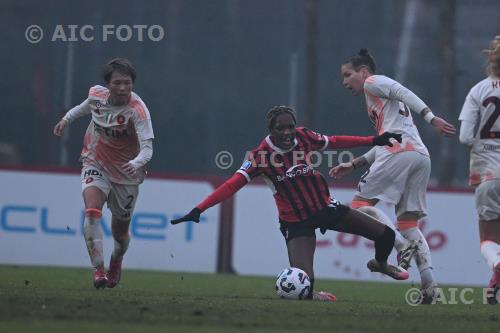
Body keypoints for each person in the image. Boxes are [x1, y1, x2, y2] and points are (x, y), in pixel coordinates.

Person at [171, 105, 409, 301]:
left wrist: (375, 139)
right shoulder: (259, 157)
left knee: (386, 235)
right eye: (281, 128)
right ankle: (313, 294)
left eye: (290, 126)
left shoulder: (304, 136)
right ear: (270, 130)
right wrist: (198, 209)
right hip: (296, 223)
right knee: (303, 284)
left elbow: (335, 141)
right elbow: (232, 184)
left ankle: (380, 263)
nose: (287, 132)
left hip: (326, 208)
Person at [330, 49, 456, 303]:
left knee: (359, 206)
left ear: (363, 72)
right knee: (409, 223)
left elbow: (403, 91)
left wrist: (431, 118)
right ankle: (429, 284)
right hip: (419, 156)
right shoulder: (379, 103)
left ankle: (400, 246)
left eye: (347, 74)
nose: (344, 81)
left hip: (398, 153)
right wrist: (355, 163)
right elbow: (388, 138)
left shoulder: (373, 82)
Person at [53, 58, 154, 289]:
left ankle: (116, 259)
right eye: (117, 82)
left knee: (120, 235)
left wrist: (136, 162)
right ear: (108, 84)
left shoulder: (138, 111)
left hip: (127, 173)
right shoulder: (96, 95)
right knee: (92, 209)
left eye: (127, 83)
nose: (122, 88)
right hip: (95, 161)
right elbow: (85, 107)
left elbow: (148, 149)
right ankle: (98, 270)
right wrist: (66, 120)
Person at [459, 36, 500, 304]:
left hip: (489, 175)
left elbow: (464, 137)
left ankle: (497, 268)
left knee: (488, 240)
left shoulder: (478, 90)